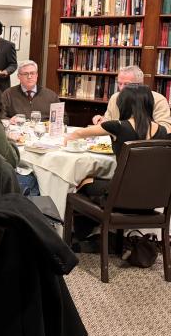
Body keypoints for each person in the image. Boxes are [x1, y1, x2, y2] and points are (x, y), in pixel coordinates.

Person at [66, 84, 168, 242]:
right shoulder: (163, 132)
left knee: (84, 181)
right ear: (149, 104)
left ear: (123, 104)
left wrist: (67, 139)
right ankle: (98, 235)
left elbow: (79, 133)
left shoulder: (117, 126)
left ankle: (81, 236)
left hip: (118, 199)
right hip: (151, 202)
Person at [92, 65, 171, 130]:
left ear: (140, 84)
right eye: (119, 84)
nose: (121, 88)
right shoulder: (115, 98)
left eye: (127, 84)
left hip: (144, 145)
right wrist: (102, 121)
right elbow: (108, 121)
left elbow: (166, 129)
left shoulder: (158, 100)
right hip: (117, 144)